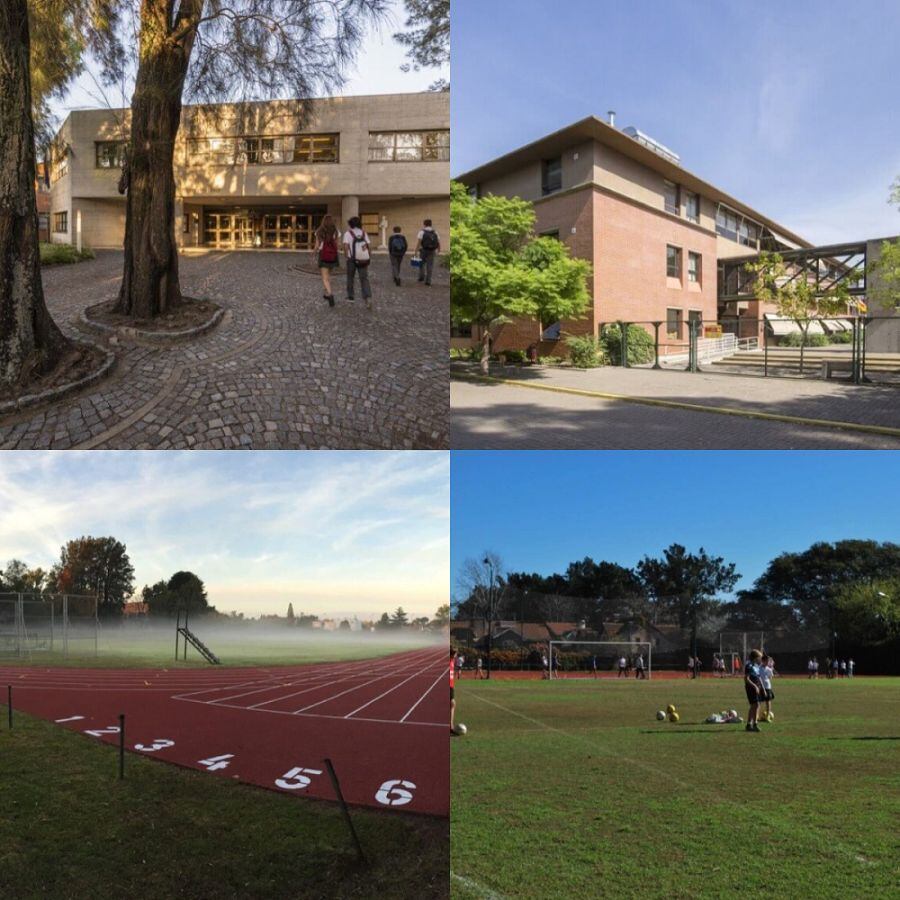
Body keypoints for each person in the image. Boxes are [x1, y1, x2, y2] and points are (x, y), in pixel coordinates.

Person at [342, 216, 373, 309]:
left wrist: (346, 256)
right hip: (363, 259)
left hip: (352, 259)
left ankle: (351, 296)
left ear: (350, 224)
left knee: (350, 277)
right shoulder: (364, 233)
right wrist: (369, 256)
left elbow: (346, 246)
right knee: (364, 278)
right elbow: (368, 246)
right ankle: (368, 297)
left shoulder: (348, 233)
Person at [314, 215, 340, 307]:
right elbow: (337, 244)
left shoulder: (319, 231)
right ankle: (326, 293)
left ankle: (330, 294)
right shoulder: (336, 231)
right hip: (333, 255)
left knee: (324, 278)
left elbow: (317, 245)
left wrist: (314, 253)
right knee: (328, 275)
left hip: (323, 255)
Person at [415, 218, 441, 286]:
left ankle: (421, 277)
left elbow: (419, 242)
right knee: (430, 265)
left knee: (421, 264)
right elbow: (438, 242)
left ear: (424, 224)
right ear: (431, 224)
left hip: (423, 250)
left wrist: (416, 251)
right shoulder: (435, 232)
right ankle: (428, 280)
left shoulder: (422, 232)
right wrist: (439, 249)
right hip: (432, 251)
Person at [744, 649, 764, 732]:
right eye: (759, 657)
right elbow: (746, 679)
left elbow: (758, 678)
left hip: (757, 688)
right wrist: (755, 686)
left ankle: (749, 724)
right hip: (751, 688)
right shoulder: (749, 666)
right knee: (756, 705)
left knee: (754, 705)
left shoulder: (756, 666)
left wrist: (762, 688)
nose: (760, 659)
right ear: (755, 658)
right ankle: (755, 724)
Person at [759, 654, 775, 722]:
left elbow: (770, 677)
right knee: (758, 702)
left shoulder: (769, 669)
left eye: (768, 661)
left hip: (767, 687)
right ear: (762, 661)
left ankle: (767, 716)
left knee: (768, 702)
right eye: (766, 661)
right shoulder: (759, 668)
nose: (767, 662)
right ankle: (756, 716)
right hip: (760, 688)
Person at [450, 648, 457, 733]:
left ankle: (451, 725)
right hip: (448, 686)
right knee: (452, 704)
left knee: (452, 704)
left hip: (451, 686)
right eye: (455, 654)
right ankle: (451, 725)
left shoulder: (453, 661)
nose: (456, 656)